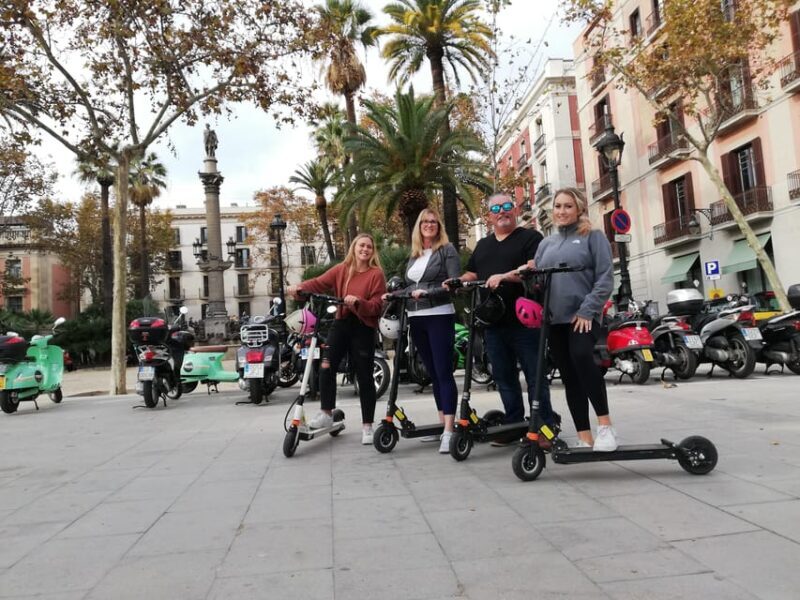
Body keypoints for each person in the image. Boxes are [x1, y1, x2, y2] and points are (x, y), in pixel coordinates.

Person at [446, 193, 554, 445]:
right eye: (496, 208)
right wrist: (458, 282)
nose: (502, 211)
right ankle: (514, 425)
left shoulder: (530, 237)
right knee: (504, 378)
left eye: (506, 206)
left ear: (514, 209)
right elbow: (473, 272)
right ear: (489, 216)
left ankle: (543, 429)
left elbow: (532, 267)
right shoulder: (483, 245)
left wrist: (504, 276)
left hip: (525, 322)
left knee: (535, 378)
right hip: (493, 323)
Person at [530, 187, 617, 451]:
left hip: (583, 317)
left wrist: (587, 309)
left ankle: (605, 427)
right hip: (554, 320)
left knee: (582, 358)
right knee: (568, 375)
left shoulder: (593, 236)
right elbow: (539, 283)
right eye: (557, 206)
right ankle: (585, 435)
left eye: (568, 206)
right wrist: (531, 283)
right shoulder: (546, 244)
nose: (562, 211)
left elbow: (605, 278)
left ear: (579, 208)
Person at [287, 234, 386, 445]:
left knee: (364, 376)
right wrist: (299, 288)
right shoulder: (342, 269)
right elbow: (319, 283)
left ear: (372, 251)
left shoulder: (375, 274)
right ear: (354, 247)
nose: (365, 249)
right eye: (361, 245)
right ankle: (327, 412)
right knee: (326, 365)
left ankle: (367, 425)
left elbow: (378, 305)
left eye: (369, 246)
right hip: (341, 324)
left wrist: (359, 302)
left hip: (363, 327)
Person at [398, 208, 461, 454]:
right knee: (432, 373)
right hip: (416, 317)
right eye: (425, 221)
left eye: (434, 221)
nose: (429, 225)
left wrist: (429, 292)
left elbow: (453, 285)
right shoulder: (414, 255)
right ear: (419, 225)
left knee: (444, 372)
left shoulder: (447, 250)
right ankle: (441, 424)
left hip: (438, 315)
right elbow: (407, 285)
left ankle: (449, 429)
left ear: (439, 226)